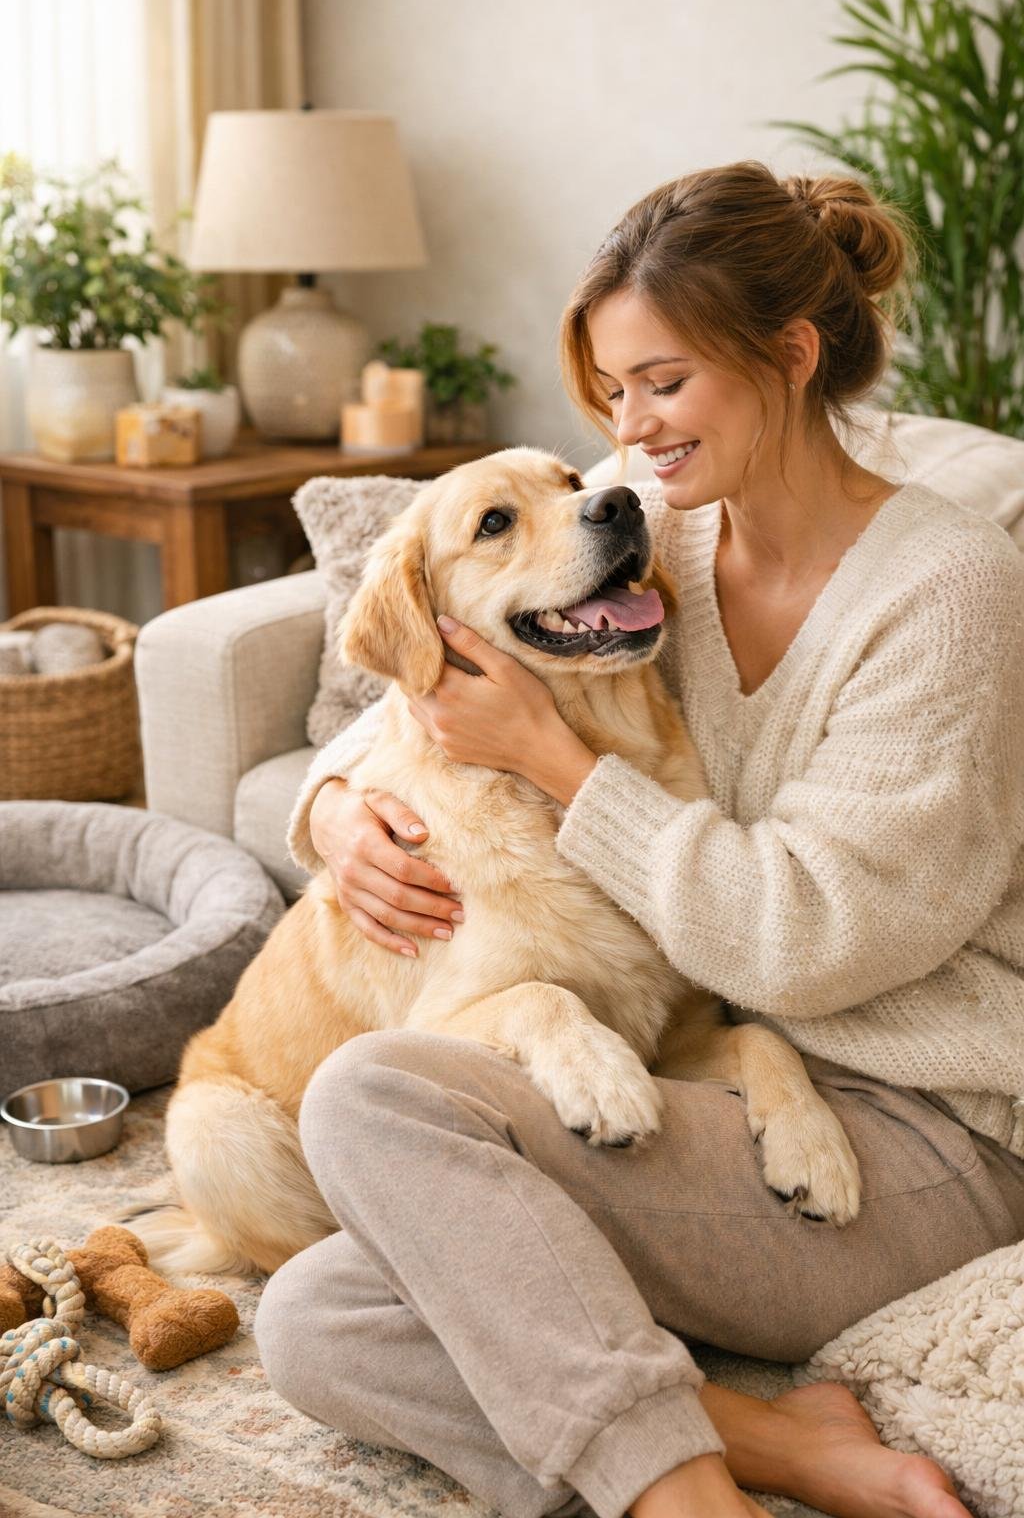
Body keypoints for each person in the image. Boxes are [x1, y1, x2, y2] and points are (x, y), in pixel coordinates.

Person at [253, 162, 1024, 1518]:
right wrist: (333, 811)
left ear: (788, 354)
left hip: (921, 1133)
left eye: (663, 384)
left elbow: (803, 941)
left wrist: (554, 757)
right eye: (613, 393)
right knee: (313, 1314)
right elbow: (432, 664)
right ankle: (790, 1451)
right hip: (703, 1085)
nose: (630, 433)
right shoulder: (650, 514)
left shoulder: (953, 590)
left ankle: (685, 1502)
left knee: (374, 1097)